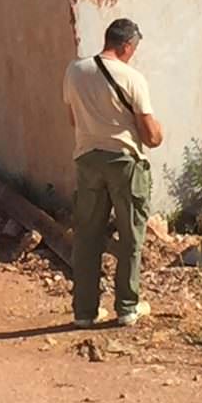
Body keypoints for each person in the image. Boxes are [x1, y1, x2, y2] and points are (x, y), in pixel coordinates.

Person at [62, 18, 164, 329]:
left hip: (87, 160)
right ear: (126, 46)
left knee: (87, 237)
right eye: (134, 47)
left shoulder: (74, 71)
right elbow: (151, 136)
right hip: (124, 163)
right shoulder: (133, 78)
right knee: (130, 236)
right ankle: (127, 307)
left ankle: (84, 311)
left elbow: (72, 119)